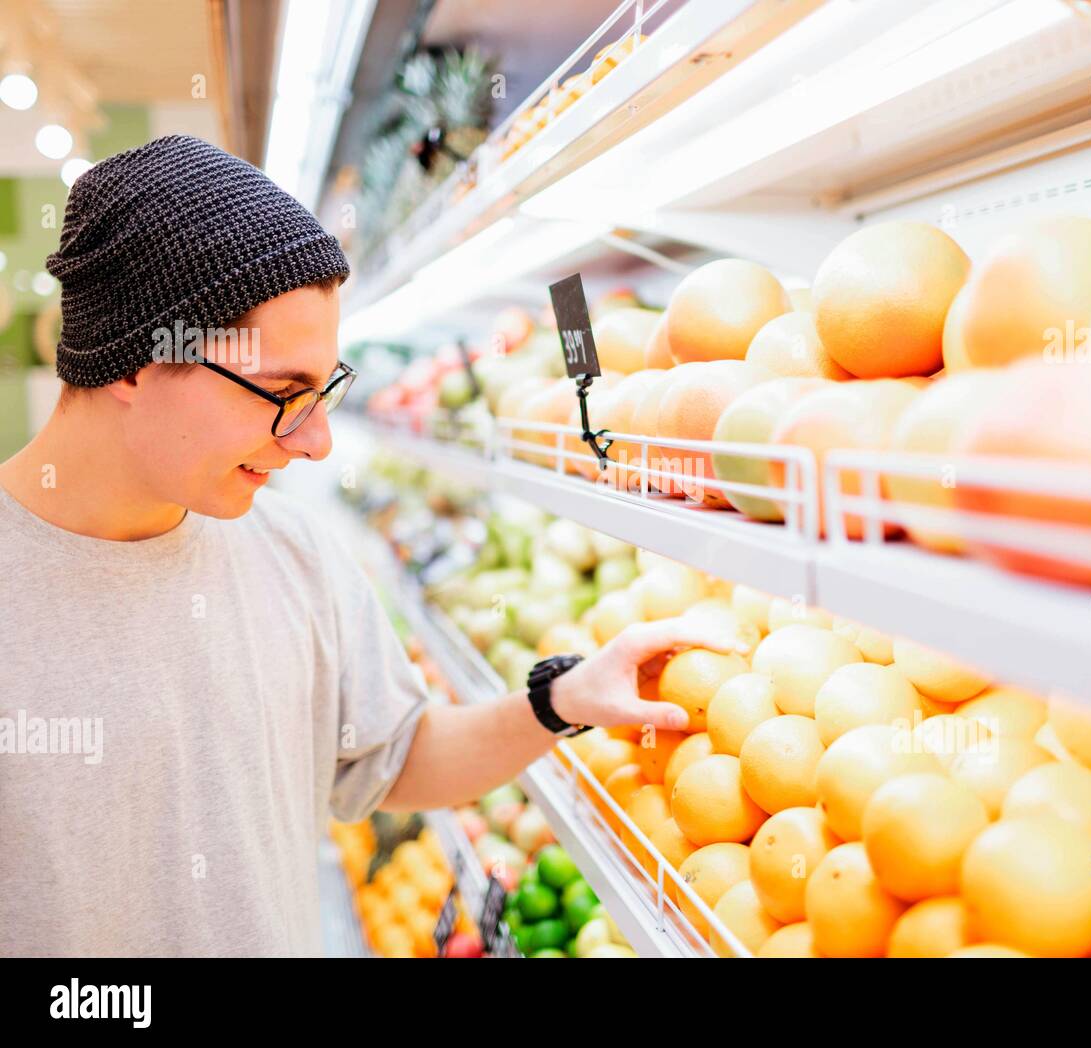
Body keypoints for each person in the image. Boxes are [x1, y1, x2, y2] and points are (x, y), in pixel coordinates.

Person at [0, 135, 738, 957]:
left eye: (325, 391)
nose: (316, 442)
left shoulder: (294, 555)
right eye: (283, 393)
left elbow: (395, 758)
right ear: (136, 362)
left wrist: (559, 700)